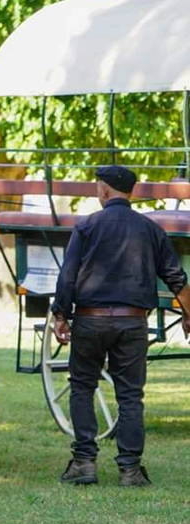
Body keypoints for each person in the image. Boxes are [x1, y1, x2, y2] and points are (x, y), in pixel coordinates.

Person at [52, 164, 190, 487]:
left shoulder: (86, 226)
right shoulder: (150, 229)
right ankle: (130, 469)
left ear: (103, 190)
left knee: (82, 387)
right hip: (133, 322)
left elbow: (68, 276)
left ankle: (84, 462)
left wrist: (60, 315)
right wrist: (188, 313)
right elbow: (176, 276)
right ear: (131, 192)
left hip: (90, 320)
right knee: (130, 396)